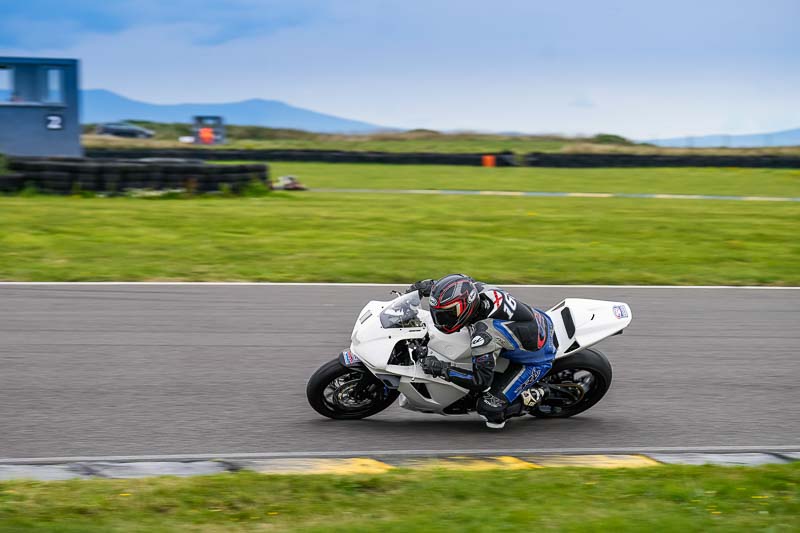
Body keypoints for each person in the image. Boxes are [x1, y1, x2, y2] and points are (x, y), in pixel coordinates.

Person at [406, 274, 556, 429]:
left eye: (449, 314)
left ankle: (534, 395)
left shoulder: (485, 335)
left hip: (537, 358)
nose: (441, 319)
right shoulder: (474, 289)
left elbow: (481, 382)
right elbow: (450, 288)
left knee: (489, 409)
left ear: (465, 308)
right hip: (535, 321)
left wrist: (442, 368)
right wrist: (420, 289)